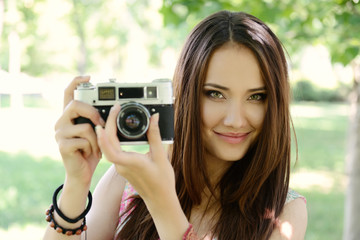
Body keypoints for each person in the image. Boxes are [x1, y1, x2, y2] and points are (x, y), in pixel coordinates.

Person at [43, 10, 307, 240]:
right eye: (215, 93)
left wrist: (162, 204)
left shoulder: (284, 212)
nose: (235, 120)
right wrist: (76, 183)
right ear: (184, 94)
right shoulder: (128, 178)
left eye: (256, 97)